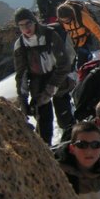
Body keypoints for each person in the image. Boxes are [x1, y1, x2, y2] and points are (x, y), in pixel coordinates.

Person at [13, 7, 75, 144]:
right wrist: (22, 99)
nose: (26, 28)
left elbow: (64, 65)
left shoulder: (50, 35)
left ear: (34, 22)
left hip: (58, 77)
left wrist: (50, 90)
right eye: (21, 25)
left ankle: (70, 144)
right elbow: (21, 74)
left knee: (65, 117)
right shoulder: (20, 45)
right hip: (38, 82)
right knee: (43, 123)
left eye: (28, 23)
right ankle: (46, 151)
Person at [57, 1, 100, 68]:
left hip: (84, 39)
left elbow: (95, 29)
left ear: (72, 15)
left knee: (83, 64)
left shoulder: (82, 16)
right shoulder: (61, 17)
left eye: (67, 20)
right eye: (63, 21)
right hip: (71, 41)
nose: (66, 22)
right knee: (70, 64)